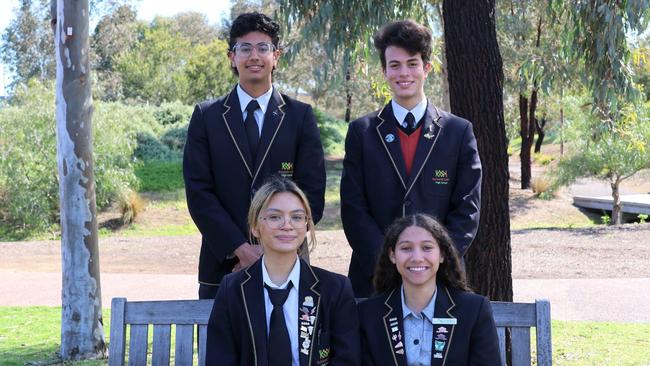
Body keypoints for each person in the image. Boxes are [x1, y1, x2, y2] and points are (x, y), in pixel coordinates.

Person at [183, 12, 326, 299]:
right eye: (244, 48)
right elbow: (199, 193)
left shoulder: (300, 116)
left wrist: (271, 250)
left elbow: (312, 195)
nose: (254, 56)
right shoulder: (207, 116)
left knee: (289, 343)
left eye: (263, 48)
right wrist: (241, 249)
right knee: (223, 343)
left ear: (276, 56)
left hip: (287, 262)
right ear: (231, 57)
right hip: (223, 264)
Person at [340, 19, 482, 297]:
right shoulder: (362, 132)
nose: (403, 73)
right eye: (394, 65)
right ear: (384, 71)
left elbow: (467, 210)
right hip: (373, 281)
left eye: (412, 63)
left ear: (426, 68)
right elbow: (353, 209)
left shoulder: (458, 132)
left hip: (440, 281)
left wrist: (432, 264)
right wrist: (388, 265)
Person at [206, 177, 360, 365]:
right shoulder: (232, 289)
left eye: (296, 217)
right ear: (255, 226)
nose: (287, 225)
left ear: (306, 225)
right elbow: (220, 360)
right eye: (274, 217)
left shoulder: (335, 288)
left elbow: (347, 360)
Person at [358, 214, 500, 365]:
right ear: (392, 255)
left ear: (442, 254)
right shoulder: (369, 315)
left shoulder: (473, 311)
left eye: (427, 248)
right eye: (406, 248)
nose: (417, 257)